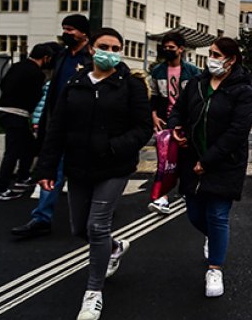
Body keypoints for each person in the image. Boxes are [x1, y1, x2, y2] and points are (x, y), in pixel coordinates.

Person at [34, 28, 152, 320]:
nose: (109, 52)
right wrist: (47, 167)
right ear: (91, 49)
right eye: (104, 46)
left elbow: (142, 128)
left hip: (114, 166)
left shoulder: (130, 85)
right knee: (81, 230)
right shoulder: (75, 83)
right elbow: (57, 128)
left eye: (115, 48)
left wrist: (113, 147)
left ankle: (93, 293)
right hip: (78, 167)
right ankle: (114, 247)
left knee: (97, 226)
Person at [168, 37, 252, 298]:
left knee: (217, 215)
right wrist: (176, 127)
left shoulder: (242, 91)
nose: (212, 59)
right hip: (191, 159)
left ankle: (215, 267)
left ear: (232, 59)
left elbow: (238, 131)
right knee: (195, 214)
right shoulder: (197, 84)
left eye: (217, 54)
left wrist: (208, 161)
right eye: (211, 53)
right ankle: (216, 239)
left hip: (224, 163)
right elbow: (178, 111)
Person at [12, 14, 93, 238]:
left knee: (86, 173)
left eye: (71, 29)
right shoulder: (61, 57)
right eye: (64, 29)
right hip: (58, 125)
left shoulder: (92, 58)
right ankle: (41, 218)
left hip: (83, 127)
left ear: (84, 33)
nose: (66, 33)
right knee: (51, 171)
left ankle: (97, 213)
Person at [146, 31, 200, 214]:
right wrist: (153, 115)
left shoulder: (192, 72)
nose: (168, 50)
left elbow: (196, 98)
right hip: (165, 121)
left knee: (186, 158)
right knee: (165, 160)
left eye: (172, 47)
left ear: (181, 49)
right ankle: (163, 197)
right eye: (165, 47)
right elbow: (154, 96)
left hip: (186, 121)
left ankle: (187, 190)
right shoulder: (157, 71)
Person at [0, 44, 55, 200]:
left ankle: (23, 177)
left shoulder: (17, 66)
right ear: (46, 58)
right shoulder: (37, 74)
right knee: (13, 152)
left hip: (4, 111)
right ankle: (0, 188)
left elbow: (2, 83)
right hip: (18, 114)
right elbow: (36, 96)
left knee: (28, 146)